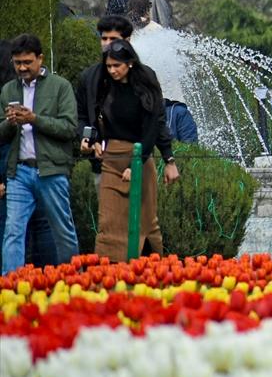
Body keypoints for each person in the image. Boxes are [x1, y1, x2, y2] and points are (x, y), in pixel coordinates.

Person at [80, 40, 178, 261]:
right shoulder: (103, 85)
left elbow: (153, 128)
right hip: (111, 160)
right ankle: (110, 276)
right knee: (109, 224)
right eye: (109, 66)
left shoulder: (146, 86)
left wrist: (142, 163)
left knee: (145, 222)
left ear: (130, 63)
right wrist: (93, 139)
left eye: (117, 66)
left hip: (140, 156)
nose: (113, 70)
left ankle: (149, 274)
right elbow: (93, 117)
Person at [1, 35, 73, 273]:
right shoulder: (8, 89)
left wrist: (34, 119)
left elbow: (69, 128)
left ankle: (74, 281)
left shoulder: (60, 86)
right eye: (17, 62)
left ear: (40, 58)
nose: (22, 68)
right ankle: (10, 286)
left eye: (27, 62)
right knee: (13, 230)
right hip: (19, 171)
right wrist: (10, 123)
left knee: (63, 230)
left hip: (51, 170)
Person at [77, 16, 173, 187]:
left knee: (141, 213)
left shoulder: (145, 77)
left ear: (127, 41)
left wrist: (168, 158)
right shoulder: (90, 78)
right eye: (104, 38)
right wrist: (88, 139)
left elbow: (156, 121)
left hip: (139, 157)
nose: (107, 44)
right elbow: (82, 115)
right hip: (103, 162)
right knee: (108, 214)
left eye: (113, 39)